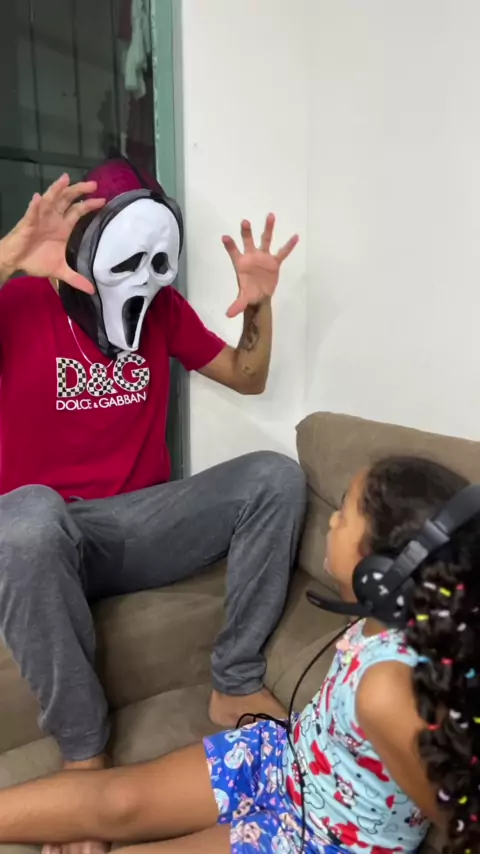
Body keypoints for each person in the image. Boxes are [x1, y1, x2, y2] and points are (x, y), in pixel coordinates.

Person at [0, 164, 307, 853]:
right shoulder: (19, 303)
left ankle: (234, 681)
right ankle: (84, 754)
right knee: (26, 520)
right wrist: (6, 258)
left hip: (141, 523)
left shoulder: (160, 310)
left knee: (274, 476)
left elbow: (248, 376)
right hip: (43, 538)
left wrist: (259, 305)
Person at [0, 454, 477, 854]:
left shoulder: (386, 691)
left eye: (345, 515)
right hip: (284, 759)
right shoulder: (380, 618)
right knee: (117, 801)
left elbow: (461, 821)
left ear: (381, 572)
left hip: (322, 840)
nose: (330, 520)